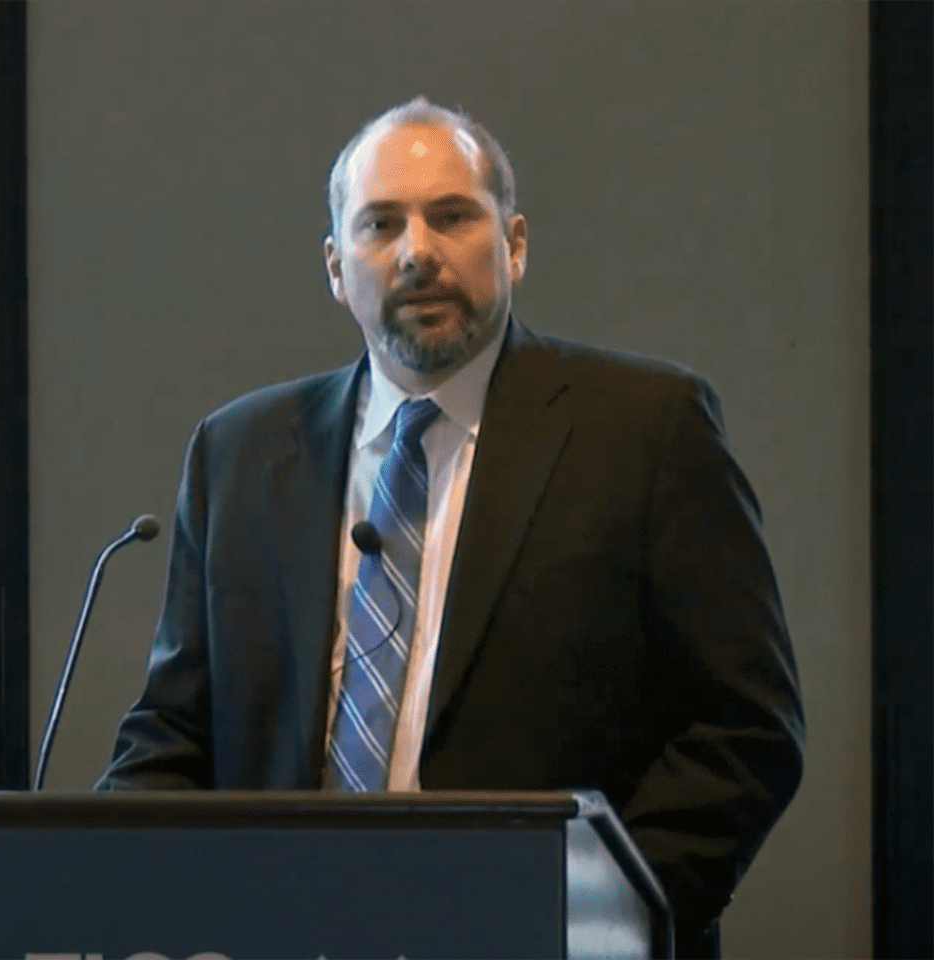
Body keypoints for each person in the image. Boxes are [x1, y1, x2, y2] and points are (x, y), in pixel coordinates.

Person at [96, 96, 805, 958]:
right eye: (380, 225)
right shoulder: (240, 454)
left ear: (514, 244)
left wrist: (596, 920)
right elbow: (175, 733)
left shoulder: (647, 430)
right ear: (335, 265)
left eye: (453, 217)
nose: (416, 253)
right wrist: (125, 906)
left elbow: (744, 730)